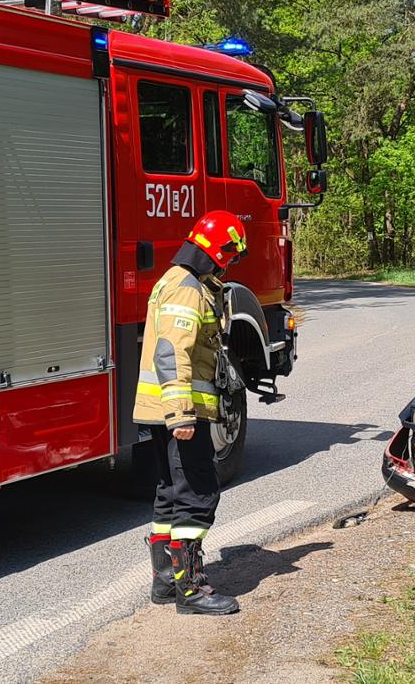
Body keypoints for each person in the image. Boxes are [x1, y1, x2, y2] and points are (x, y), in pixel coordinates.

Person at [136, 210, 247, 616]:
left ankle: (166, 582)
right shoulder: (187, 289)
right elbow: (173, 353)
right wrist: (182, 414)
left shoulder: (183, 282)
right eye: (230, 255)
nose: (231, 262)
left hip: (163, 409)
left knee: (170, 493)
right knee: (197, 494)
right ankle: (191, 591)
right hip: (182, 412)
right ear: (217, 250)